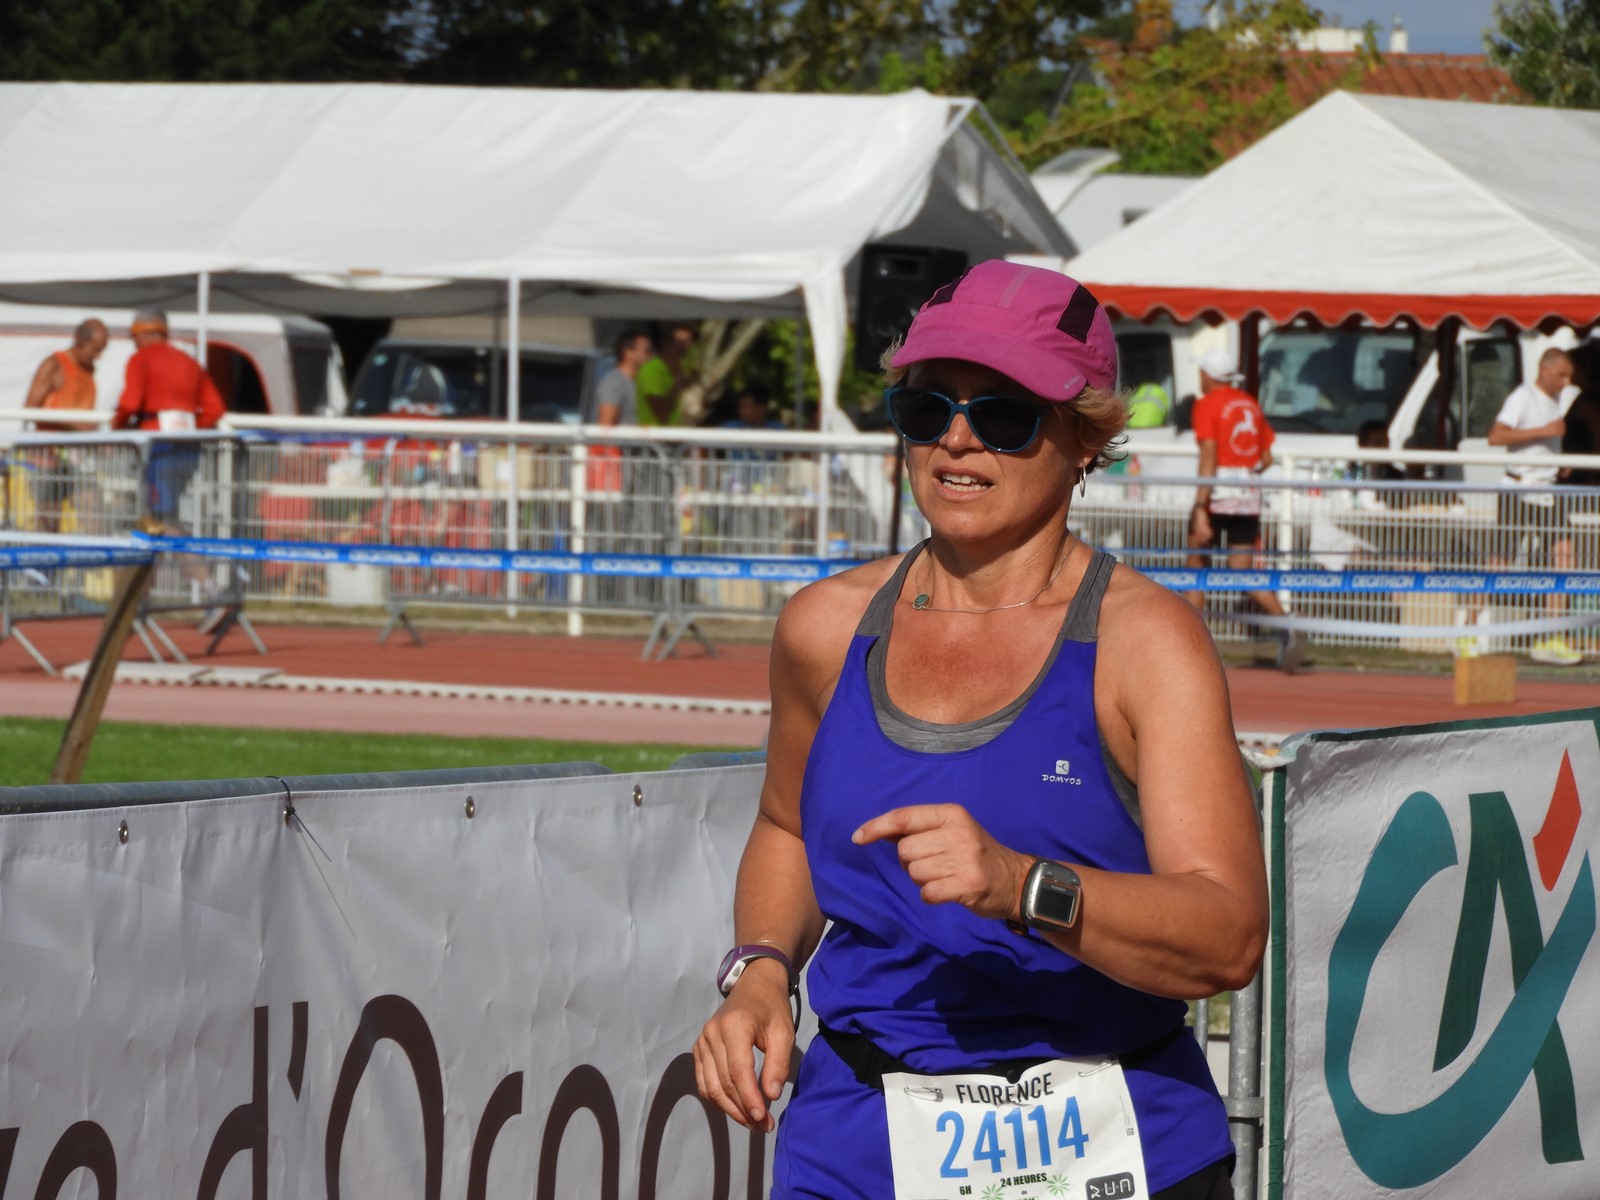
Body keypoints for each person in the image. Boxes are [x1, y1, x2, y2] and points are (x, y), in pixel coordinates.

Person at [694, 260, 1267, 1200]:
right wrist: (759, 970)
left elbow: (1229, 935)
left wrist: (1023, 885)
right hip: (856, 1151)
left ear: (1085, 439)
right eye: (927, 409)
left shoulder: (1146, 642)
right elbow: (788, 826)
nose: (957, 440)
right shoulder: (824, 628)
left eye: (1004, 415)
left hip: (1117, 1144)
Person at [1185, 346, 1305, 672]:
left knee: (1196, 568)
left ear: (1209, 375)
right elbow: (1266, 458)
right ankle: (1285, 624)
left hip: (1217, 494)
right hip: (1249, 497)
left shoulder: (1207, 404)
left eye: (1202, 371)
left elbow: (1208, 456)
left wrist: (1201, 505)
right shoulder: (1250, 403)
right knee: (1243, 570)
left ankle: (1192, 645)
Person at [111, 311, 230, 631]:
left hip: (157, 449)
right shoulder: (189, 362)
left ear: (141, 333)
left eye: (133, 336)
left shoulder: (141, 360)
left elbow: (130, 403)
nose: (133, 342)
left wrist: (115, 428)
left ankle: (212, 590)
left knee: (162, 522)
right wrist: (189, 428)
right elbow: (215, 409)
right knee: (154, 521)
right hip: (188, 449)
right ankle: (139, 601)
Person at [1487, 347, 1581, 665]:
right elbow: (1496, 436)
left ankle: (1552, 635)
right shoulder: (1522, 397)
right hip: (1518, 489)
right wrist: (1544, 432)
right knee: (1499, 561)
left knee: (1565, 556)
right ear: (1545, 371)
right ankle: (1469, 630)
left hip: (1547, 489)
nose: (1567, 382)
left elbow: (1543, 444)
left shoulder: (1555, 399)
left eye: (1569, 376)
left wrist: (1558, 460)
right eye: (1562, 375)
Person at [22, 318, 109, 532]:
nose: (98, 356)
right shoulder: (54, 364)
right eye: (95, 349)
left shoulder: (88, 370)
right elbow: (29, 410)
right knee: (49, 524)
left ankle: (93, 553)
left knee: (95, 517)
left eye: (102, 350)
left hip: (78, 456)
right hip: (47, 456)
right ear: (79, 340)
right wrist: (76, 424)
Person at [583, 328, 650, 491]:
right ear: (628, 353)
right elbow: (605, 427)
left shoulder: (640, 384)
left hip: (636, 464)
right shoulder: (613, 383)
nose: (650, 356)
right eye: (646, 351)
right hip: (618, 467)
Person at [636, 320, 697, 426]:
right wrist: (678, 384)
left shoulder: (685, 369)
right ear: (666, 342)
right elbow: (662, 414)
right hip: (657, 435)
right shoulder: (652, 370)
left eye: (689, 342)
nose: (686, 347)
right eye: (680, 342)